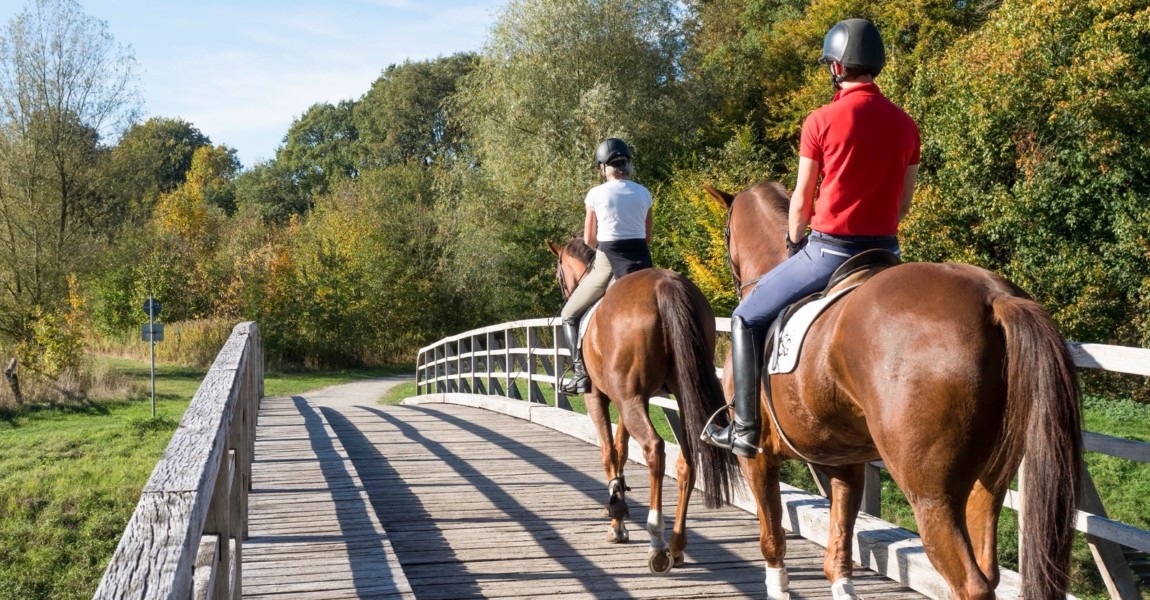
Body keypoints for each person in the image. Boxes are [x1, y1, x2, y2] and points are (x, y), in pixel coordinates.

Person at [702, 18, 921, 457]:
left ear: (837, 66)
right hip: (886, 254)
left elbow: (801, 199)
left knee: (746, 316)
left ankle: (744, 428)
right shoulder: (905, 124)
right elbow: (903, 206)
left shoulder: (821, 120)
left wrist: (795, 237)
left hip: (830, 251)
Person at [559, 138, 654, 394]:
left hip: (608, 262)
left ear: (603, 168)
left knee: (568, 314)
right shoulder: (644, 192)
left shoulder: (596, 194)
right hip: (643, 263)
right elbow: (647, 238)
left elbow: (589, 240)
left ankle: (580, 374)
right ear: (627, 165)